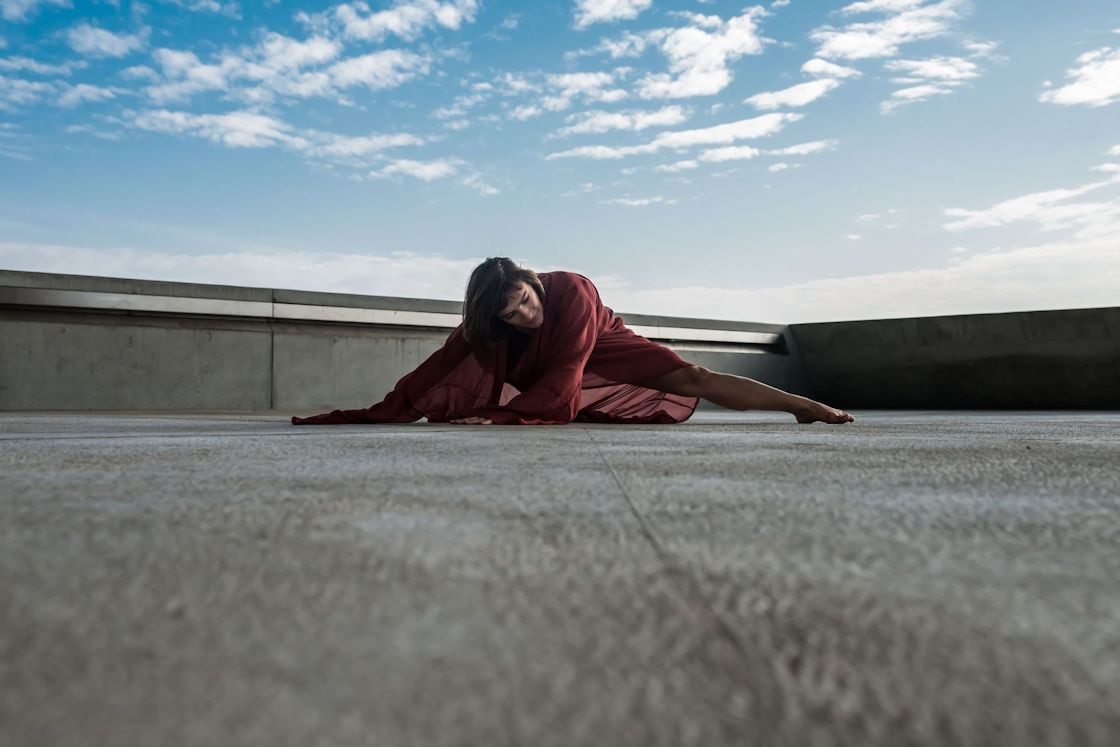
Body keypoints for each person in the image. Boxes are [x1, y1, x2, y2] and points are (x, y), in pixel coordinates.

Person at [292, 257, 853, 426]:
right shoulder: (494, 324)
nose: (524, 314)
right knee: (484, 352)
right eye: (511, 313)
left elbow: (566, 373)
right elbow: (442, 364)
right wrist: (387, 409)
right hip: (549, 367)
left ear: (534, 284)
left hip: (600, 342)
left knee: (694, 379)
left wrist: (508, 416)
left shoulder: (571, 293)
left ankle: (803, 406)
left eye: (526, 301)